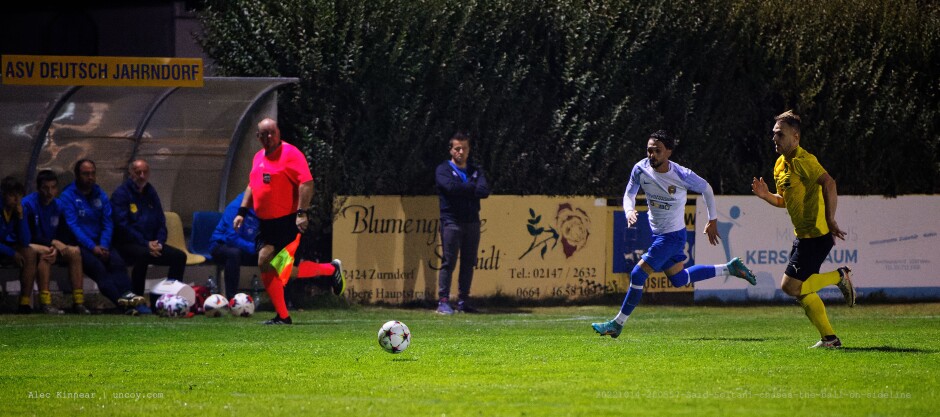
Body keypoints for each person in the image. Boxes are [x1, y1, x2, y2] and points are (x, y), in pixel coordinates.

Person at [592, 130, 757, 338]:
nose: (652, 155)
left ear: (668, 152)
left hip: (672, 237)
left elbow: (706, 189)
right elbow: (629, 193)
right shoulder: (640, 169)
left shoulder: (681, 174)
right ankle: (729, 268)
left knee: (637, 274)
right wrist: (629, 210)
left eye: (657, 151)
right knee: (680, 279)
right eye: (649, 150)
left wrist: (712, 219)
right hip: (660, 234)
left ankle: (617, 324)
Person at [751, 110, 856, 349]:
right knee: (803, 292)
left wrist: (830, 219)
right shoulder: (780, 165)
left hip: (817, 236)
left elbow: (829, 183)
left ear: (795, 137)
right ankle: (830, 339)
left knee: (790, 287)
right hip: (803, 236)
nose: (774, 139)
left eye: (780, 134)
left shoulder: (803, 160)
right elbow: (784, 200)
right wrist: (766, 195)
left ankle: (840, 276)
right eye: (773, 134)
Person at [233, 118, 345, 325]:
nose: (268, 137)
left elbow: (306, 183)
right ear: (258, 137)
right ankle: (283, 316)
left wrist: (301, 212)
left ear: (278, 132)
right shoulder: (258, 157)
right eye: (264, 134)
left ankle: (330, 270)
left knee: (282, 269)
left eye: (272, 133)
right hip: (266, 224)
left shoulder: (291, 154)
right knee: (266, 263)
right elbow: (252, 185)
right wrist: (241, 211)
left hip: (287, 221)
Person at [59, 159, 151, 315]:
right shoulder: (68, 196)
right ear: (77, 175)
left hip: (102, 244)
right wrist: (92, 247)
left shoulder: (99, 193)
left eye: (93, 173)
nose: (90, 177)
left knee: (118, 264)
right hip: (81, 245)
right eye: (86, 174)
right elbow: (73, 227)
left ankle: (134, 301)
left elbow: (108, 222)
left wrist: (104, 245)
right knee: (99, 269)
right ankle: (123, 305)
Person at [111, 159, 187, 295]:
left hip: (153, 244)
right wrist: (145, 243)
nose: (141, 176)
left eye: (145, 172)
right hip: (128, 243)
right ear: (130, 173)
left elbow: (160, 222)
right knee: (143, 255)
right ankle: (138, 298)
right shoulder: (121, 194)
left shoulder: (150, 192)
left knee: (179, 256)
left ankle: (170, 295)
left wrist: (160, 243)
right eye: (138, 172)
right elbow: (122, 226)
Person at [434, 132, 490, 314]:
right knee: (449, 261)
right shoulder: (443, 169)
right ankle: (443, 301)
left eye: (464, 148)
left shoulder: (476, 170)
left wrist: (465, 189)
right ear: (451, 150)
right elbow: (450, 188)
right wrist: (470, 188)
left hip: (472, 222)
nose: (461, 152)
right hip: (451, 221)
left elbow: (484, 190)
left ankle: (463, 301)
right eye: (457, 148)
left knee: (468, 262)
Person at [22, 170, 87, 314]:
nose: (49, 192)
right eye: (45, 188)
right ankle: (45, 303)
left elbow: (64, 233)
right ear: (38, 188)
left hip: (53, 246)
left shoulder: (59, 206)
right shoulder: (28, 204)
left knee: (75, 253)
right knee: (46, 256)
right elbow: (30, 235)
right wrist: (53, 244)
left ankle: (78, 302)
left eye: (53, 187)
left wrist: (58, 247)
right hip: (34, 246)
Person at [1, 176, 56, 314]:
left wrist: (20, 217)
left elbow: (25, 240)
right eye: (12, 195)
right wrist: (12, 253)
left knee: (29, 252)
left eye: (19, 196)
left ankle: (24, 302)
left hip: (7, 247)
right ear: (4, 194)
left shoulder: (19, 209)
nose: (16, 199)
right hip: (4, 249)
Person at [211, 192, 259, 300]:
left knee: (277, 254)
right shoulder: (235, 208)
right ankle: (232, 299)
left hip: (249, 247)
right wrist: (256, 248)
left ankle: (283, 299)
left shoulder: (264, 208)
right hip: (222, 245)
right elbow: (231, 238)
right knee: (234, 254)